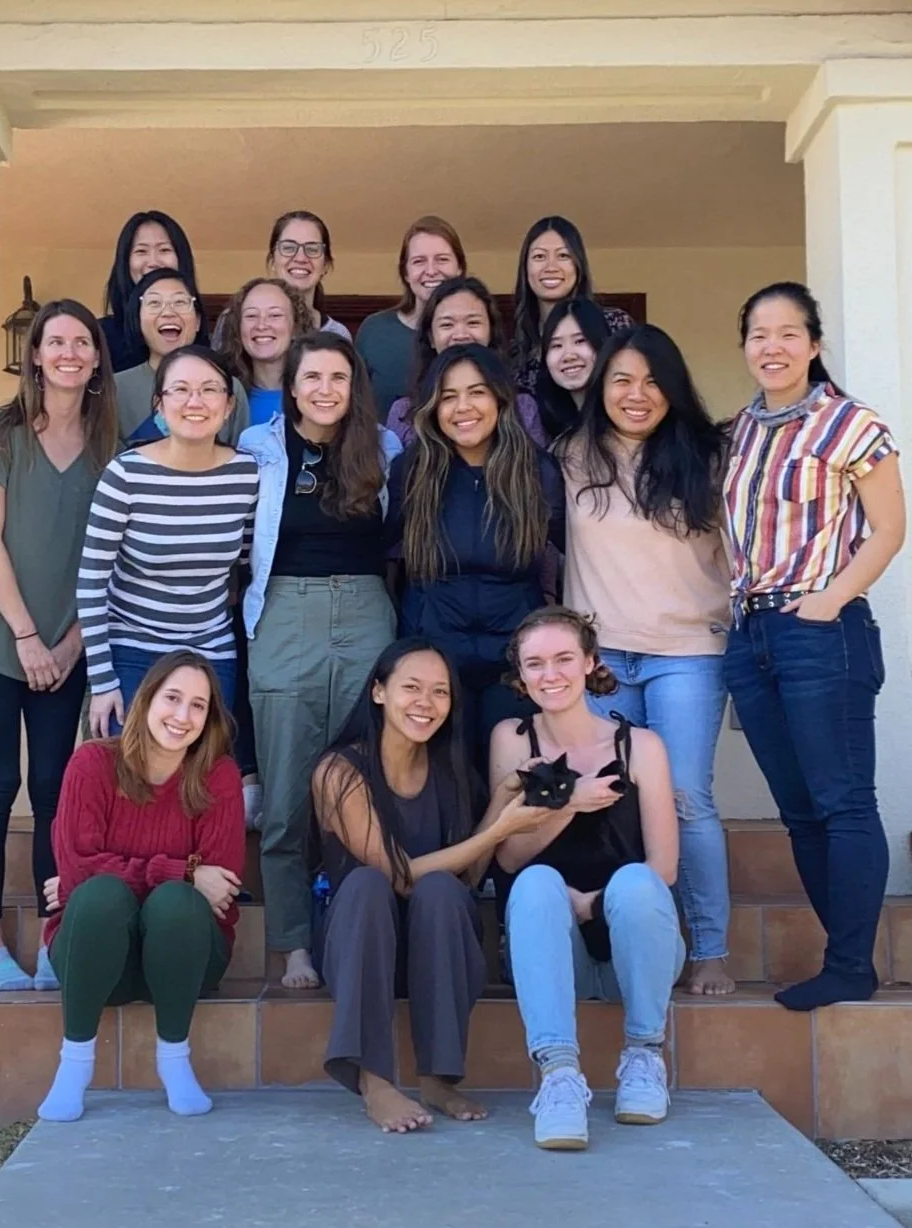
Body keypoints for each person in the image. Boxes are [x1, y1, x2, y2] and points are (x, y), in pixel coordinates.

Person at [722, 281, 906, 1012]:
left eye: (787, 333)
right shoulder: (738, 432)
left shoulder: (850, 424)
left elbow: (888, 529)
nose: (772, 347)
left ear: (814, 344)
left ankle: (849, 966)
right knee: (798, 810)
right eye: (758, 335)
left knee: (843, 801)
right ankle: (848, 963)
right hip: (751, 636)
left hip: (820, 631)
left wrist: (828, 601)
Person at [311, 638, 553, 1132]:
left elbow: (469, 875)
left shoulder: (449, 770)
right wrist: (498, 831)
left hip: (435, 956)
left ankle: (439, 1078)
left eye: (440, 691)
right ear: (379, 691)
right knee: (367, 885)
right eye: (412, 687)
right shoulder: (339, 770)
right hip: (360, 951)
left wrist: (501, 803)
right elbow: (396, 874)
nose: (426, 702)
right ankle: (374, 1080)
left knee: (443, 890)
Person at [558, 323, 736, 997]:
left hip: (687, 653)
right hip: (602, 660)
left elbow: (744, 555)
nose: (636, 394)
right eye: (621, 380)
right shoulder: (571, 455)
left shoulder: (709, 457)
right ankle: (620, 946)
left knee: (686, 798)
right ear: (600, 386)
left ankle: (710, 949)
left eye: (653, 381)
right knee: (604, 800)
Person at [0, 300, 120, 993]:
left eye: (82, 342)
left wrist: (73, 643)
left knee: (54, 786)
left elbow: (113, 562)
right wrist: (25, 636)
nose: (69, 352)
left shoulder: (111, 448)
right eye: (56, 341)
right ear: (37, 356)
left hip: (67, 645)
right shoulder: (0, 433)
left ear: (97, 358)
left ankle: (54, 939)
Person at [237, 333, 402, 991]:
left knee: (366, 780)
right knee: (286, 791)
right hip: (285, 612)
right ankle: (294, 945)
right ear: (292, 386)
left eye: (339, 377)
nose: (325, 390)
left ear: (355, 386)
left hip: (366, 614)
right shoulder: (259, 447)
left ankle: (358, 931)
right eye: (312, 377)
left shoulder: (383, 449)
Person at [493, 606, 684, 1150]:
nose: (550, 674)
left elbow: (665, 867)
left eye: (563, 659)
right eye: (535, 664)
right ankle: (559, 1078)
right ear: (520, 674)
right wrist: (569, 802)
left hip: (636, 949)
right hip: (553, 955)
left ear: (590, 662)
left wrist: (592, 903)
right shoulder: (513, 739)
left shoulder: (639, 745)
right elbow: (507, 858)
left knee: (636, 882)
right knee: (535, 884)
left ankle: (644, 1056)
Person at [36, 650, 245, 1122]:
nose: (182, 715)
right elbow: (79, 871)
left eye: (198, 705)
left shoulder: (219, 776)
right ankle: (74, 1065)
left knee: (175, 904)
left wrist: (164, 881)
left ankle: (175, 1060)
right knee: (102, 896)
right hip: (95, 958)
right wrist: (181, 871)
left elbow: (221, 890)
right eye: (172, 698)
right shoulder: (92, 763)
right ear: (145, 699)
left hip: (184, 961)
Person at [387, 344, 564, 757]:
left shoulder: (537, 471)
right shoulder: (412, 470)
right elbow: (386, 557)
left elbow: (573, 554)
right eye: (448, 396)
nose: (462, 407)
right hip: (435, 657)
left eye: (477, 392)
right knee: (445, 775)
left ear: (500, 399)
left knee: (511, 774)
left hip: (514, 659)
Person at [78, 345, 258, 736]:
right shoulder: (125, 475)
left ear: (229, 405)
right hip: (131, 648)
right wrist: (103, 681)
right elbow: (91, 584)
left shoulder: (246, 475)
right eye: (180, 389)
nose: (195, 401)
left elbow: (245, 562)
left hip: (210, 650)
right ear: (159, 404)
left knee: (202, 768)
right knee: (125, 766)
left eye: (210, 389)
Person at [382, 275, 547, 451]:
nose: (461, 335)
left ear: (491, 331)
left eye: (473, 322)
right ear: (430, 337)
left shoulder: (522, 407)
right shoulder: (404, 412)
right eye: (447, 325)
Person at [114, 268, 246, 448]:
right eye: (154, 303)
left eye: (180, 302)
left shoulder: (228, 387)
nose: (168, 312)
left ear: (198, 321)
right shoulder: (114, 390)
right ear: (137, 320)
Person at [508, 216, 633, 395]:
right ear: (525, 268)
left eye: (563, 256)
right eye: (539, 256)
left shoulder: (613, 324)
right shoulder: (517, 352)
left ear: (578, 265)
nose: (551, 267)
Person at [355, 216, 467, 416]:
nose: (431, 271)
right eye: (419, 261)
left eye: (442, 259)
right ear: (405, 273)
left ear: (459, 268)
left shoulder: (474, 331)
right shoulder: (375, 331)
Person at [215, 211, 351, 349]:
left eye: (312, 249)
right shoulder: (233, 320)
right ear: (273, 261)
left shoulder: (337, 334)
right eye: (288, 248)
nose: (300, 258)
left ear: (325, 265)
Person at [99, 210, 200, 372]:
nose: (153, 262)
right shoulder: (103, 336)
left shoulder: (197, 339)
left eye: (164, 250)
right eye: (141, 251)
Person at [220, 277, 316, 429]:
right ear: (238, 328)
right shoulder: (221, 395)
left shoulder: (318, 393)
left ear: (296, 327)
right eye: (251, 316)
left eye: (275, 315)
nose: (262, 325)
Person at [533, 296, 612, 440]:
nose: (569, 356)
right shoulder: (541, 426)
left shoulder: (625, 418)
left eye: (580, 341)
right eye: (556, 345)